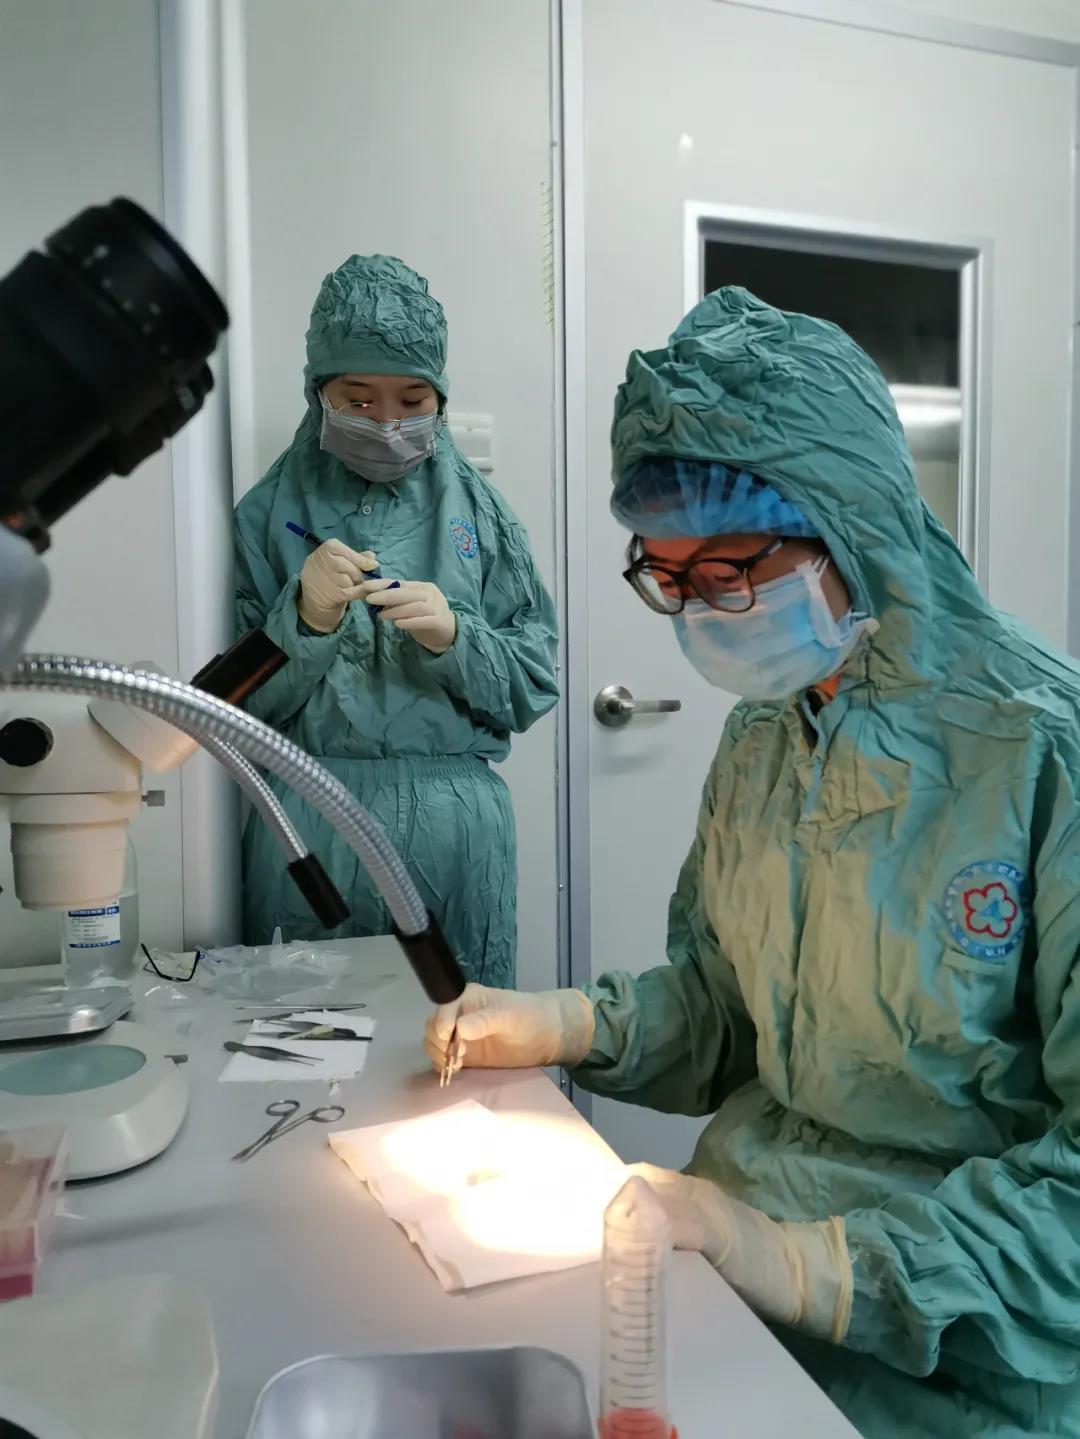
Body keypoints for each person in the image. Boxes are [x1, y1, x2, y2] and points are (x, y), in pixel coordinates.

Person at [425, 287, 1080, 1435]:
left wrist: (818, 1265)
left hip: (965, 1345)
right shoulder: (768, 732)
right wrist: (570, 1024)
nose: (699, 612)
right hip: (735, 1285)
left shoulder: (1039, 753)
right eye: (667, 578)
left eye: (728, 572)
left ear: (857, 529)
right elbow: (732, 1007)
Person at [235, 254, 558, 987]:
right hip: (310, 823)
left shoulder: (483, 518)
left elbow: (533, 685)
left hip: (455, 830)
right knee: (304, 1037)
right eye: (359, 399)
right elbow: (233, 711)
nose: (387, 423)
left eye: (412, 400)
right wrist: (304, 623)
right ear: (319, 392)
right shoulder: (265, 515)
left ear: (441, 397)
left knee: (463, 1037)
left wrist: (458, 639)